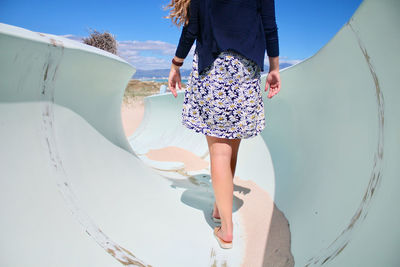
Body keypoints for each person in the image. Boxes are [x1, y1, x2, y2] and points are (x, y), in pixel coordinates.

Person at [164, 0, 281, 249]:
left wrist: (176, 64)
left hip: (213, 67)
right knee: (232, 147)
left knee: (219, 150)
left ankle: (226, 230)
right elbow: (269, 26)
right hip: (245, 69)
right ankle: (220, 205)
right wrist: (274, 67)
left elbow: (191, 29)